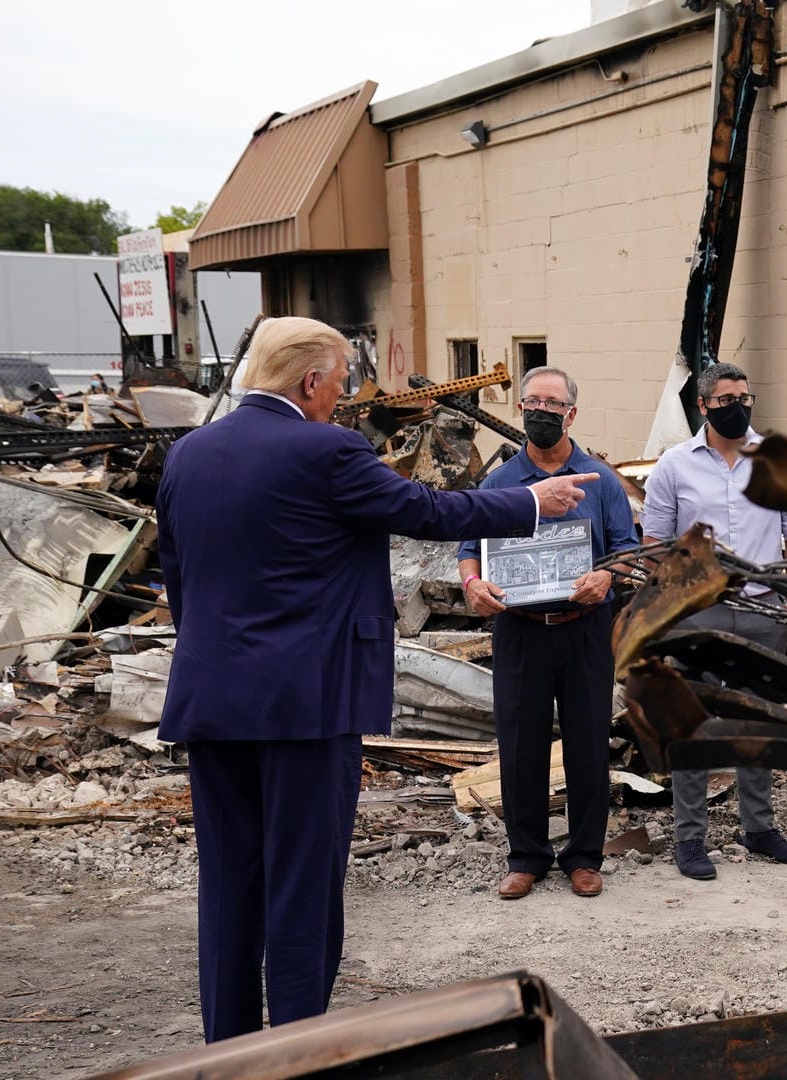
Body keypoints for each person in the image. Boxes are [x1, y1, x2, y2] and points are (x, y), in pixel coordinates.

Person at [156, 317, 597, 1041]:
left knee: (229, 888)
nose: (343, 397)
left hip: (213, 701)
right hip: (307, 705)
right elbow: (425, 510)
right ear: (310, 381)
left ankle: (227, 1053)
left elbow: (181, 582)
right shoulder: (326, 448)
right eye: (338, 382)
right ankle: (300, 1050)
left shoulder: (189, 455)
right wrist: (529, 503)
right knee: (302, 888)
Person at [457, 367, 638, 901]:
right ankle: (527, 857)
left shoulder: (600, 481)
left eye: (551, 403)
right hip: (520, 629)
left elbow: (627, 550)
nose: (540, 410)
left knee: (586, 743)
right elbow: (469, 547)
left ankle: (584, 857)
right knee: (520, 745)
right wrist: (472, 583)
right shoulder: (498, 483)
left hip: (584, 628)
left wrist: (607, 575)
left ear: (572, 414)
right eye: (531, 401)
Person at [642, 361, 787, 880]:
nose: (738, 406)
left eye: (745, 396)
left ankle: (758, 828)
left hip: (762, 610)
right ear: (702, 406)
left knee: (756, 722)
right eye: (725, 400)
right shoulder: (674, 466)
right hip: (698, 613)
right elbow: (655, 547)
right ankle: (690, 838)